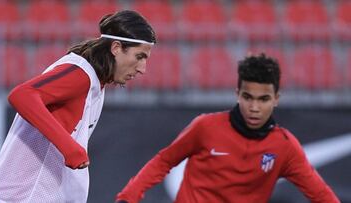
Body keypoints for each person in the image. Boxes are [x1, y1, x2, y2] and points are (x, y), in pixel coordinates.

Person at [115, 53, 340, 203]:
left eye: (263, 99)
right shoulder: (205, 127)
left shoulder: (285, 147)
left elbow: (320, 194)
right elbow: (164, 161)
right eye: (248, 97)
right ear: (237, 95)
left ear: (276, 99)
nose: (254, 107)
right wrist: (129, 196)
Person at [0, 10, 156, 203]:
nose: (142, 69)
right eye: (139, 56)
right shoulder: (80, 73)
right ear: (116, 47)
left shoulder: (95, 81)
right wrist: (69, 147)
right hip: (20, 197)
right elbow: (22, 95)